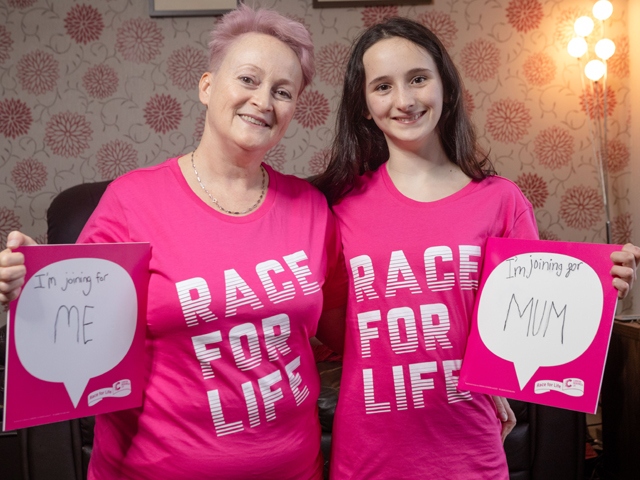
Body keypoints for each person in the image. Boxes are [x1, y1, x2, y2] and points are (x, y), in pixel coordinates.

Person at [0, 5, 339, 479]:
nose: (264, 100)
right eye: (248, 79)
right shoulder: (132, 201)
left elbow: (347, 328)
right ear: (206, 86)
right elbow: (78, 320)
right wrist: (32, 286)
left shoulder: (311, 208)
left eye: (283, 91)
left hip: (294, 468)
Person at [314, 17, 640, 479]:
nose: (404, 100)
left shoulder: (501, 200)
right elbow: (330, 325)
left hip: (470, 450)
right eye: (383, 86)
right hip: (369, 455)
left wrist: (600, 291)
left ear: (445, 87)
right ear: (364, 106)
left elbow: (536, 328)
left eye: (418, 79)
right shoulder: (339, 207)